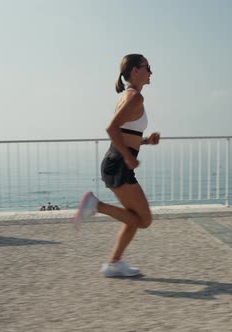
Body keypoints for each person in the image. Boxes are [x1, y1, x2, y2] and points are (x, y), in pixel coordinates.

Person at [73, 54, 160, 277]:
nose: (151, 71)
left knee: (132, 217)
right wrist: (129, 158)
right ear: (134, 71)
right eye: (147, 67)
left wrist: (145, 141)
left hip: (117, 162)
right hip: (120, 163)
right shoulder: (134, 99)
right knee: (144, 220)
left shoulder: (128, 96)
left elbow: (124, 134)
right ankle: (96, 205)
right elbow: (111, 129)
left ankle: (113, 263)